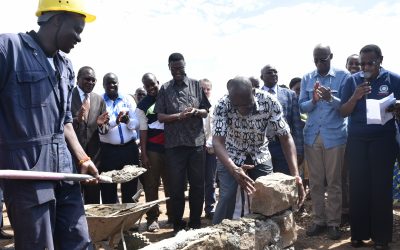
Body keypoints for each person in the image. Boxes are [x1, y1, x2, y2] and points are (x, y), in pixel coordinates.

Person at [0, 0, 98, 249]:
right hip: (27, 172)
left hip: (64, 172)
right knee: (39, 245)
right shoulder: (9, 49)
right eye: (76, 29)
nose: (79, 38)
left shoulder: (66, 66)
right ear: (56, 19)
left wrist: (83, 158)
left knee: (78, 241)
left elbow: (66, 121)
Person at [212, 76, 305, 224]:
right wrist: (234, 169)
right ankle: (215, 238)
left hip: (259, 153)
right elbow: (217, 142)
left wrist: (296, 175)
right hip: (231, 153)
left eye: (247, 105)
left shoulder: (269, 102)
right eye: (238, 106)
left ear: (254, 92)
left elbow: (285, 137)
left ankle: (270, 235)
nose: (243, 111)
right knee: (227, 195)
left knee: (267, 194)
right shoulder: (222, 105)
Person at [340, 44, 400, 249]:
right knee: (358, 187)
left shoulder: (393, 79)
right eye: (362, 63)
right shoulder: (352, 81)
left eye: (370, 63)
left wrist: (396, 109)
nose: (365, 67)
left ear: (380, 60)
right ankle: (358, 235)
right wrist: (355, 96)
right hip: (357, 140)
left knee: (381, 188)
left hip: (384, 140)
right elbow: (342, 112)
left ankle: (381, 238)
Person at [155, 52, 211, 233]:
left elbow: (205, 111)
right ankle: (178, 224)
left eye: (181, 68)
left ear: (185, 66)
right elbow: (161, 116)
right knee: (176, 187)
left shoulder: (195, 85)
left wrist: (195, 111)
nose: (178, 71)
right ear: (169, 68)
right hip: (174, 146)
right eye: (174, 68)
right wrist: (179, 116)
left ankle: (195, 222)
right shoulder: (164, 88)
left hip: (195, 144)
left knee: (197, 185)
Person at [299, 44, 349, 240]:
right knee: (316, 182)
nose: (319, 63)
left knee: (335, 182)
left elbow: (346, 107)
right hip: (312, 136)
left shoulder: (343, 77)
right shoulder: (307, 78)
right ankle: (319, 220)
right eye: (316, 60)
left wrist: (330, 98)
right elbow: (302, 107)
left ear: (331, 56)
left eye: (323, 59)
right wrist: (313, 101)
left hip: (335, 136)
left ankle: (334, 223)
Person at [136, 73, 172, 232]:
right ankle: (152, 218)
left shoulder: (169, 97)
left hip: (172, 149)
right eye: (147, 86)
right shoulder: (142, 105)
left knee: (172, 183)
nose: (151, 88)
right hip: (153, 150)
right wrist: (144, 154)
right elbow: (143, 131)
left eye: (153, 84)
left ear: (158, 82)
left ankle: (173, 215)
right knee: (151, 184)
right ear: (144, 87)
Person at [99, 73, 140, 203]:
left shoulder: (127, 99)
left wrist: (128, 121)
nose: (112, 85)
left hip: (129, 149)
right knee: (108, 188)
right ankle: (112, 222)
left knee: (130, 187)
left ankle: (129, 222)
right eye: (108, 83)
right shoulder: (99, 101)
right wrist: (115, 122)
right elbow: (101, 129)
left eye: (114, 82)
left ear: (118, 83)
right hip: (108, 151)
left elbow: (136, 123)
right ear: (103, 85)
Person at [71, 66, 109, 204]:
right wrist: (77, 119)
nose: (91, 82)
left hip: (94, 156)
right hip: (73, 156)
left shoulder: (99, 100)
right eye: (87, 79)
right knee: (72, 195)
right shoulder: (68, 96)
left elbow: (105, 130)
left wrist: (101, 125)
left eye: (94, 80)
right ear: (78, 80)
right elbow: (61, 126)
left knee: (93, 197)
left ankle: (92, 225)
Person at [260, 65, 304, 175]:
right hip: (263, 147)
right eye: (270, 72)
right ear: (262, 77)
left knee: (286, 182)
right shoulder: (256, 96)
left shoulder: (290, 94)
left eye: (275, 72)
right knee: (266, 183)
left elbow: (296, 124)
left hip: (284, 147)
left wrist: (298, 150)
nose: (274, 74)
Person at [199, 78, 217, 220]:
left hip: (211, 149)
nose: (205, 91)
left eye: (208, 89)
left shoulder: (215, 106)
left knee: (210, 181)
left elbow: (217, 130)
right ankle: (196, 209)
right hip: (196, 149)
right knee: (197, 181)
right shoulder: (194, 105)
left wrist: (211, 145)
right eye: (202, 89)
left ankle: (210, 208)